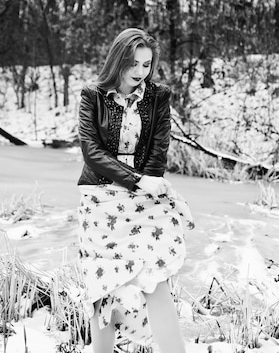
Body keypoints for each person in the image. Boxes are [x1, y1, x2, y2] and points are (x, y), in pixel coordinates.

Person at [76, 28, 194, 353]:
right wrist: (136, 180)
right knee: (104, 284)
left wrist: (148, 186)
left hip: (144, 198)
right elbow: (91, 152)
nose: (140, 72)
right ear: (118, 60)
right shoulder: (93, 95)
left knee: (156, 279)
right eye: (134, 63)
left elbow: (159, 148)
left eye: (146, 64)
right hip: (99, 197)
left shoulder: (158, 96)